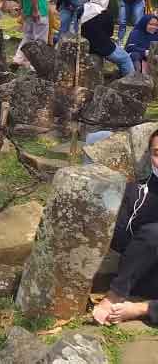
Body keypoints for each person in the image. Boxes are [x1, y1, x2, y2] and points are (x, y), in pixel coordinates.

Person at [92, 128, 158, 326]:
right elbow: (120, 239)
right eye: (157, 153)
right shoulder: (135, 191)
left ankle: (142, 308)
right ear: (150, 156)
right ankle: (115, 295)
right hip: (142, 274)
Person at [80, 0, 134, 76]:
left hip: (85, 44)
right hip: (102, 46)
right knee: (125, 58)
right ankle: (130, 81)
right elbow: (110, 33)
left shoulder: (82, 9)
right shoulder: (105, 13)